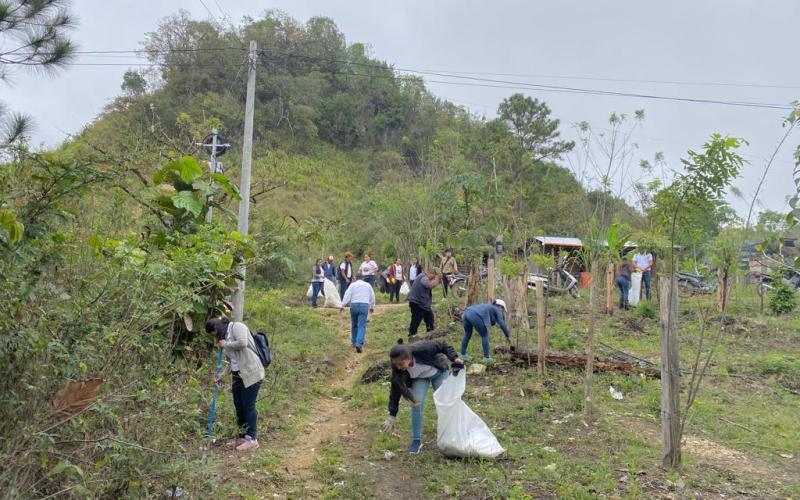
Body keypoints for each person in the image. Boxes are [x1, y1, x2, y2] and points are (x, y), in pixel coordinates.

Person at [380, 339, 465, 454]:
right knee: (416, 405)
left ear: (408, 357)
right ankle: (416, 441)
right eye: (396, 365)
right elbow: (395, 391)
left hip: (438, 372)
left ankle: (453, 434)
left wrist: (454, 358)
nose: (399, 367)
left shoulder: (421, 348)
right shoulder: (398, 370)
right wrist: (392, 415)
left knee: (447, 402)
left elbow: (442, 344)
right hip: (420, 378)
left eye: (401, 364)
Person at [205, 317, 264, 452]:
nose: (216, 337)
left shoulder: (237, 327)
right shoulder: (224, 336)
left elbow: (242, 343)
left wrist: (225, 344)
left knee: (248, 405)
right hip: (238, 375)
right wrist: (222, 375)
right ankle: (242, 436)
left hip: (251, 372)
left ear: (217, 328)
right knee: (239, 405)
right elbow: (231, 359)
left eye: (215, 334)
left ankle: (252, 439)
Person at [341, 278, 376, 353]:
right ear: (363, 278)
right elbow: (372, 296)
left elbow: (347, 295)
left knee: (354, 324)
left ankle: (354, 342)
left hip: (354, 305)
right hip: (364, 305)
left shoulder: (352, 285)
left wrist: (342, 305)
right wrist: (372, 307)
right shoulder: (368, 285)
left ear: (355, 278)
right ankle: (359, 343)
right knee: (362, 325)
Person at [407, 267, 442, 339]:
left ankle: (430, 334)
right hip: (417, 303)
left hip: (422, 304)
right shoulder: (424, 277)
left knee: (429, 317)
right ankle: (412, 336)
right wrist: (437, 278)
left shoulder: (425, 277)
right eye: (433, 277)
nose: (433, 279)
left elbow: (433, 283)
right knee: (416, 319)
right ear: (430, 273)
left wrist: (439, 279)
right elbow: (430, 285)